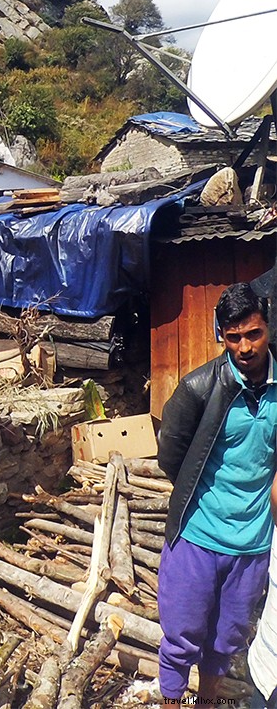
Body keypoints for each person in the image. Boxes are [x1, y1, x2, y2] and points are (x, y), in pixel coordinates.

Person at [157, 283, 276, 704]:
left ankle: (207, 701)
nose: (244, 347)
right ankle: (172, 701)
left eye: (254, 334)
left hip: (253, 545)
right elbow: (170, 457)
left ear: (268, 326)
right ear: (221, 336)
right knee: (181, 638)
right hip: (198, 537)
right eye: (234, 337)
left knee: (226, 642)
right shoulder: (198, 388)